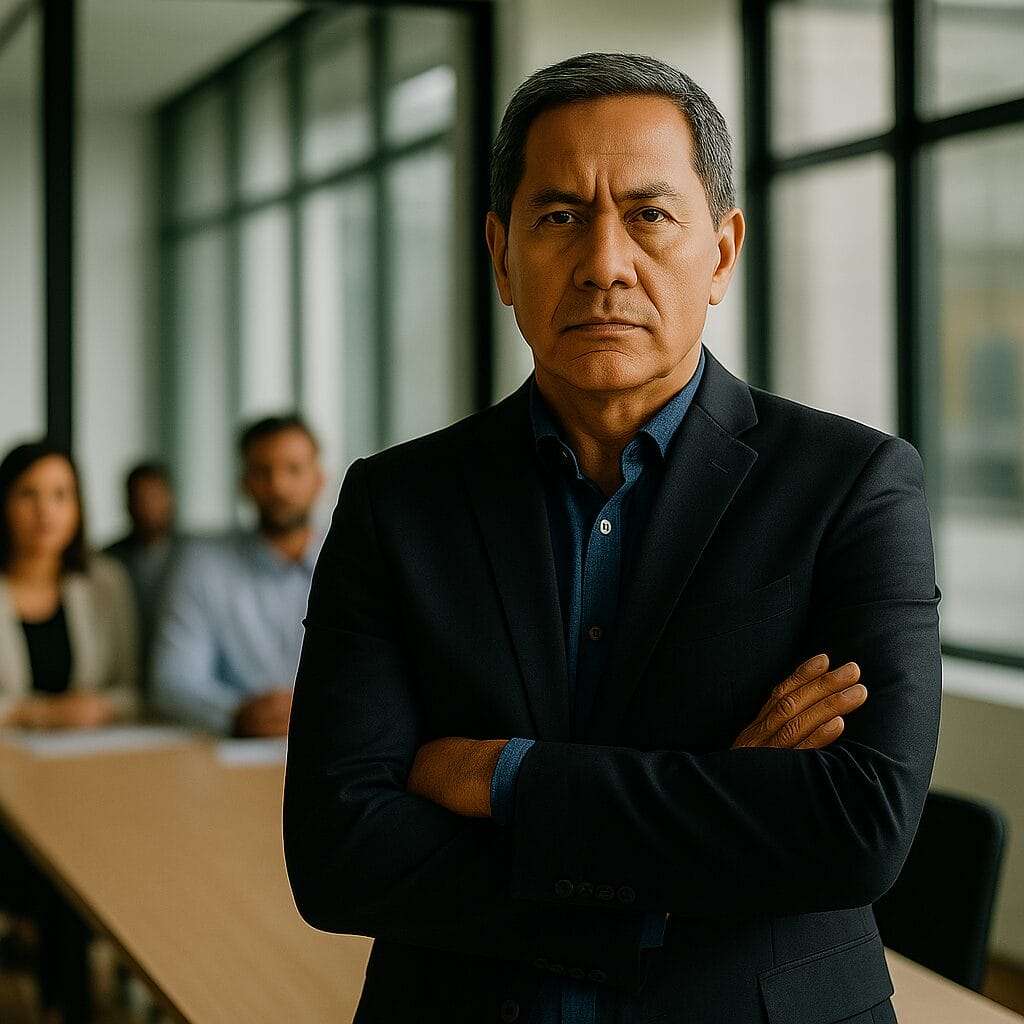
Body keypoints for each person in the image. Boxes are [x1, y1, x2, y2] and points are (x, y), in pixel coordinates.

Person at [283, 53, 940, 1024]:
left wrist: (499, 775)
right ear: (501, 256)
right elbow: (339, 855)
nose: (602, 262)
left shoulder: (850, 486)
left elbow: (856, 829)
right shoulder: (400, 504)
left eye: (648, 213)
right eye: (558, 217)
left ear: (720, 253)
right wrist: (710, 816)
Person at [0, 440, 140, 1024]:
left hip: (89, 782)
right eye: (29, 495)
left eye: (61, 495)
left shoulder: (104, 583)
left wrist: (96, 707)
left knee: (94, 862)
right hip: (9, 795)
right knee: (60, 880)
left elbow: (132, 691)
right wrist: (40, 714)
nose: (46, 512)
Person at [151, 414, 325, 736]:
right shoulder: (202, 565)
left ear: (319, 479)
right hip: (232, 753)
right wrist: (237, 713)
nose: (278, 485)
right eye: (263, 471)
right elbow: (173, 680)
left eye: (294, 469)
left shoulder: (356, 564)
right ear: (244, 483)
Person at [105, 461, 178, 689]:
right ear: (127, 502)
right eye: (140, 497)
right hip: (126, 673)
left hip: (175, 673)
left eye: (155, 496)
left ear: (170, 498)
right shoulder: (107, 561)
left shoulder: (191, 558)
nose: (148, 506)